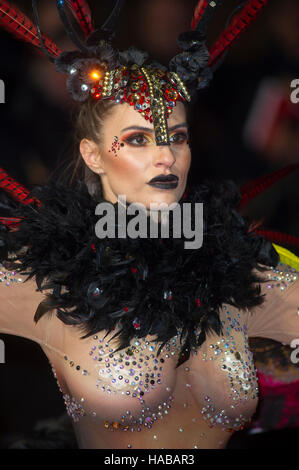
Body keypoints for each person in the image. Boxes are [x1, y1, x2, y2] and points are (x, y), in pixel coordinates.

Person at [0, 0, 298, 450]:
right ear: (93, 155)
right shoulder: (43, 278)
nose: (166, 157)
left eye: (177, 137)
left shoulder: (243, 272)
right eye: (138, 139)